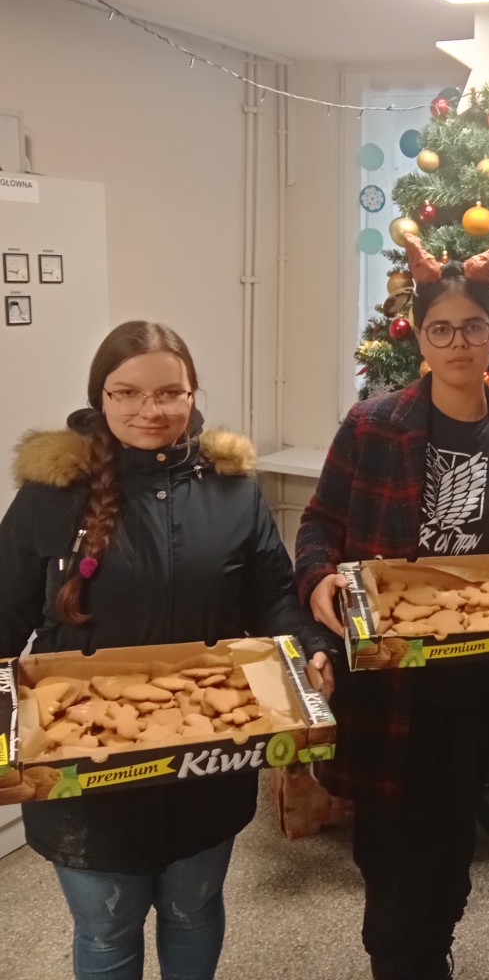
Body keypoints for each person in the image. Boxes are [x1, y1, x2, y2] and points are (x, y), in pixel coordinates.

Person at [295, 235, 489, 980]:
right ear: (420, 337)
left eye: (473, 327)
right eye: (442, 328)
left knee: (450, 864)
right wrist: (318, 582)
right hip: (390, 687)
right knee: (392, 871)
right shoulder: (372, 427)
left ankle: (432, 955)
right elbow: (319, 525)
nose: (459, 342)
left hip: (477, 692)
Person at [0, 320, 322, 980]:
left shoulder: (232, 491)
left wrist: (306, 653)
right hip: (86, 759)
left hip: (208, 751)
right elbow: (3, 614)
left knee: (193, 909)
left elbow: (273, 597)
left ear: (192, 393)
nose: (150, 410)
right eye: (127, 393)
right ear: (100, 397)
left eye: (169, 392)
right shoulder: (50, 496)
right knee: (107, 929)